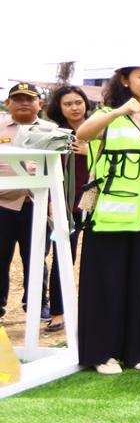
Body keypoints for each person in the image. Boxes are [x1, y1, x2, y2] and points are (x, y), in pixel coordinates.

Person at [76, 53, 140, 374]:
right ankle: (101, 354)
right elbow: (83, 134)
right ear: (125, 79)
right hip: (111, 217)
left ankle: (138, 351)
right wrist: (120, 111)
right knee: (107, 287)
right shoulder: (110, 115)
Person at [0, 83, 56, 323]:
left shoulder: (52, 130)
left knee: (35, 257)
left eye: (29, 98)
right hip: (3, 204)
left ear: (40, 104)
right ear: (8, 103)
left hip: (37, 203)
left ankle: (36, 305)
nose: (24, 102)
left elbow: (58, 168)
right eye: (18, 98)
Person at [44, 84, 93, 334]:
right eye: (68, 104)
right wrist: (52, 201)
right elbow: (47, 168)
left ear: (86, 103)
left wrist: (90, 150)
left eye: (78, 102)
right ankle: (58, 312)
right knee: (63, 256)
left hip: (97, 203)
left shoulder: (99, 128)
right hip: (66, 203)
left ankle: (92, 310)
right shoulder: (55, 134)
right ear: (59, 108)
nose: (75, 107)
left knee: (95, 259)